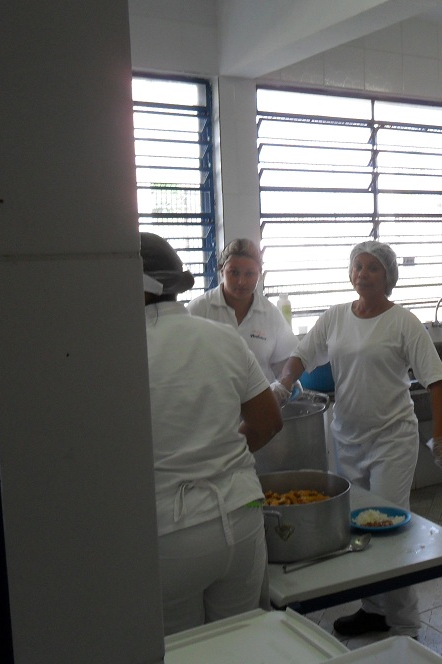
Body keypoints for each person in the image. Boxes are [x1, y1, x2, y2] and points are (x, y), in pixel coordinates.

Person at [274, 240, 442, 639]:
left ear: (388, 276)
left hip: (392, 439)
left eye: (373, 267)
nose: (363, 274)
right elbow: (301, 356)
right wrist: (283, 385)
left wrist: (441, 438)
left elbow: (436, 380)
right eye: (358, 266)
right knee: (357, 526)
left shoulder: (403, 322)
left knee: (389, 528)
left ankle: (405, 622)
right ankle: (373, 609)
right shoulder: (336, 317)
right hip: (347, 439)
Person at [140, 232, 283, 635]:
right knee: (240, 643)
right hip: (242, 514)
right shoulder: (222, 337)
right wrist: (220, 458)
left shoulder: (119, 349)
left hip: (171, 531)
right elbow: (268, 422)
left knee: (183, 650)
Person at [187, 238, 297, 381]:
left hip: (260, 394)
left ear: (260, 275)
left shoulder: (271, 314)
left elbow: (286, 363)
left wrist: (284, 386)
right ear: (222, 271)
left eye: (250, 274)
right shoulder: (199, 310)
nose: (241, 282)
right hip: (213, 394)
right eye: (234, 273)